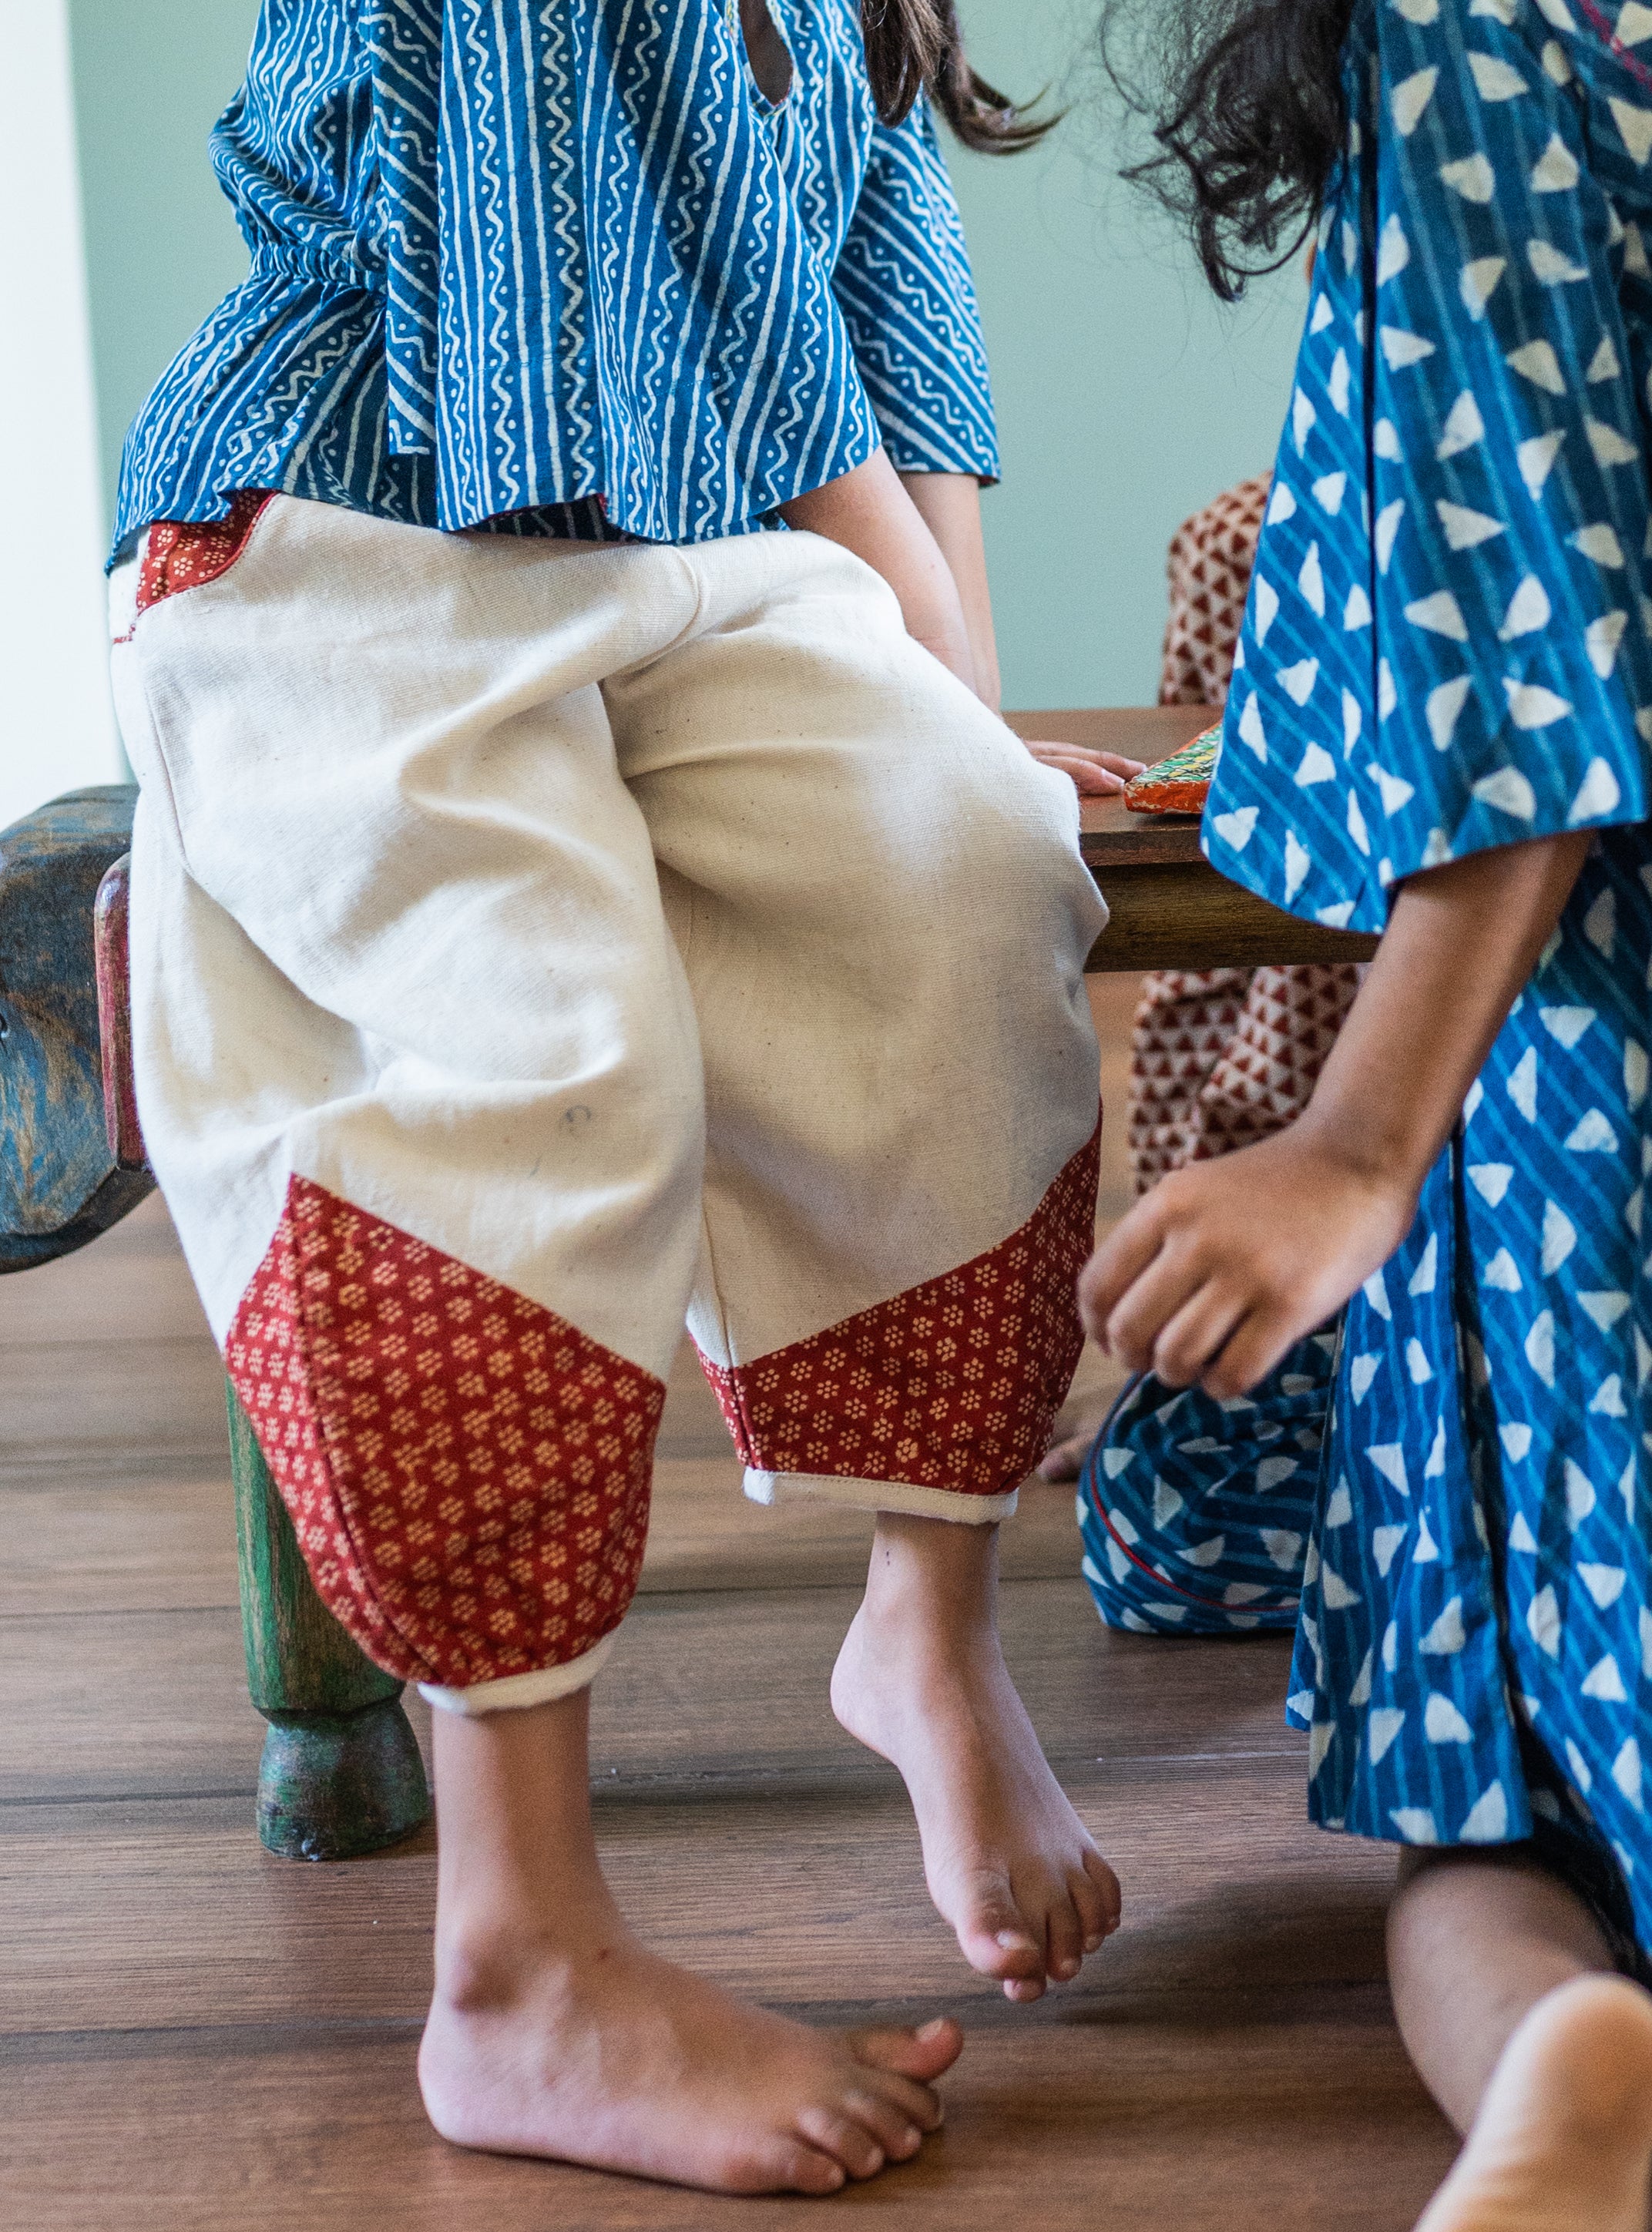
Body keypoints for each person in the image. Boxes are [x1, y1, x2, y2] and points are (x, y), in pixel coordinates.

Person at [109, 0, 1131, 2197]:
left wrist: (959, 715)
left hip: (687, 534)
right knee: (533, 1064)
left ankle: (928, 1629)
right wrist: (912, 630)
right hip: (347, 523)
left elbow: (889, 277)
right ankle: (520, 1960)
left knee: (968, 878)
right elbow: (606, 298)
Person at [1086, 0, 1652, 2224]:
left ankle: (1560, 2056)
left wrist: (1356, 1146)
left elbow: (1536, 645)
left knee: (1483, 1821)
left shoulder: (1494, 38)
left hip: (1581, 1088)